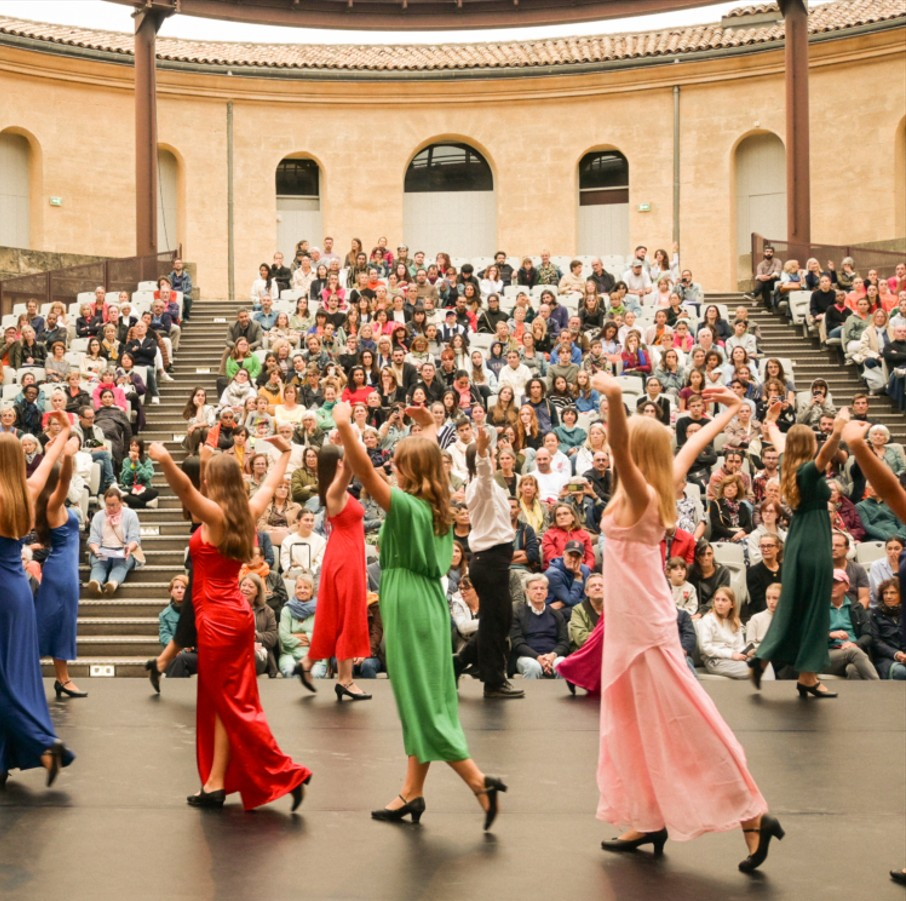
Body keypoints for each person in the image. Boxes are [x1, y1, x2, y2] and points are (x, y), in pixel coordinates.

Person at [591, 372, 780, 874]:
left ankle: (752, 810)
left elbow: (618, 445)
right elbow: (694, 445)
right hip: (631, 623)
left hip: (645, 628)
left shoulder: (640, 494)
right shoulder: (661, 484)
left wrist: (613, 396)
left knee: (689, 718)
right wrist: (730, 409)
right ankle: (647, 817)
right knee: (629, 722)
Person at [331, 400, 507, 830]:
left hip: (409, 601)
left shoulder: (408, 507)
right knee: (423, 699)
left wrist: (345, 424)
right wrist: (427, 428)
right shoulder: (436, 500)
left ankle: (478, 781)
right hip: (422, 599)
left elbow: (367, 475)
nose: (392, 467)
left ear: (411, 471)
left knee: (424, 705)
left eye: (398, 464)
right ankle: (412, 792)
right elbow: (423, 459)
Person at [147, 438, 312, 811]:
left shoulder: (215, 517)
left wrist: (165, 461)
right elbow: (270, 483)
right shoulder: (246, 511)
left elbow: (185, 489)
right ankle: (216, 782)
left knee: (233, 705)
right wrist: (285, 452)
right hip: (236, 614)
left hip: (217, 618)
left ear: (216, 482)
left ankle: (285, 774)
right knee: (222, 702)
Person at [749, 406, 849, 698]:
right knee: (817, 610)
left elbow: (778, 438)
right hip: (814, 542)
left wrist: (770, 421)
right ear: (809, 444)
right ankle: (806, 677)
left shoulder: (786, 463)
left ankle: (767, 659)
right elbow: (828, 451)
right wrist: (839, 427)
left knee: (795, 605)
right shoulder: (807, 469)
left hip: (797, 541)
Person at [0, 412, 75, 788]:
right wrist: (64, 432)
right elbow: (49, 459)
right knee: (15, 671)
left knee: (2, 680)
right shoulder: (28, 490)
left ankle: (44, 745)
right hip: (18, 588)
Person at [292, 445, 372, 701]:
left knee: (337, 615)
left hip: (345, 555)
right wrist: (348, 435)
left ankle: (307, 664)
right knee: (348, 615)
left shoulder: (336, 491)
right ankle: (345, 680)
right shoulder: (334, 491)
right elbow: (350, 466)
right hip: (345, 558)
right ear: (337, 462)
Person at [459, 426, 523, 699]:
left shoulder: (493, 487)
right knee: (496, 622)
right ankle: (493, 681)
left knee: (497, 621)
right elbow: (484, 473)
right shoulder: (479, 486)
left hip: (495, 560)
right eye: (491, 456)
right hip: (489, 561)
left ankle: (458, 663)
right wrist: (483, 449)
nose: (497, 460)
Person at [34, 435, 87, 699]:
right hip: (61, 574)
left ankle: (62, 679)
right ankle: (61, 680)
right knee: (56, 625)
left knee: (60, 625)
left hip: (63, 571)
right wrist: (66, 455)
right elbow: (66, 480)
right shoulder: (54, 505)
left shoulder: (53, 505)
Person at [86, 487, 143, 595]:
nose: (110, 508)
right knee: (99, 564)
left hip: (123, 550)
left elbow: (134, 538)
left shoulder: (130, 515)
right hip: (103, 549)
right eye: (108, 505)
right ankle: (95, 582)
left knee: (121, 563)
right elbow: (93, 538)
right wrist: (96, 549)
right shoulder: (98, 516)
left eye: (114, 505)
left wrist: (129, 548)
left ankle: (113, 583)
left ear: (121, 502)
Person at [158, 575, 198, 678]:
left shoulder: (197, 610)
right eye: (176, 588)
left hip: (198, 653)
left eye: (183, 587)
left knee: (178, 661)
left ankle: (171, 691)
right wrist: (179, 647)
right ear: (171, 592)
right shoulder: (165, 614)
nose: (179, 591)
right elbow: (164, 636)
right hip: (176, 652)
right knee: (177, 663)